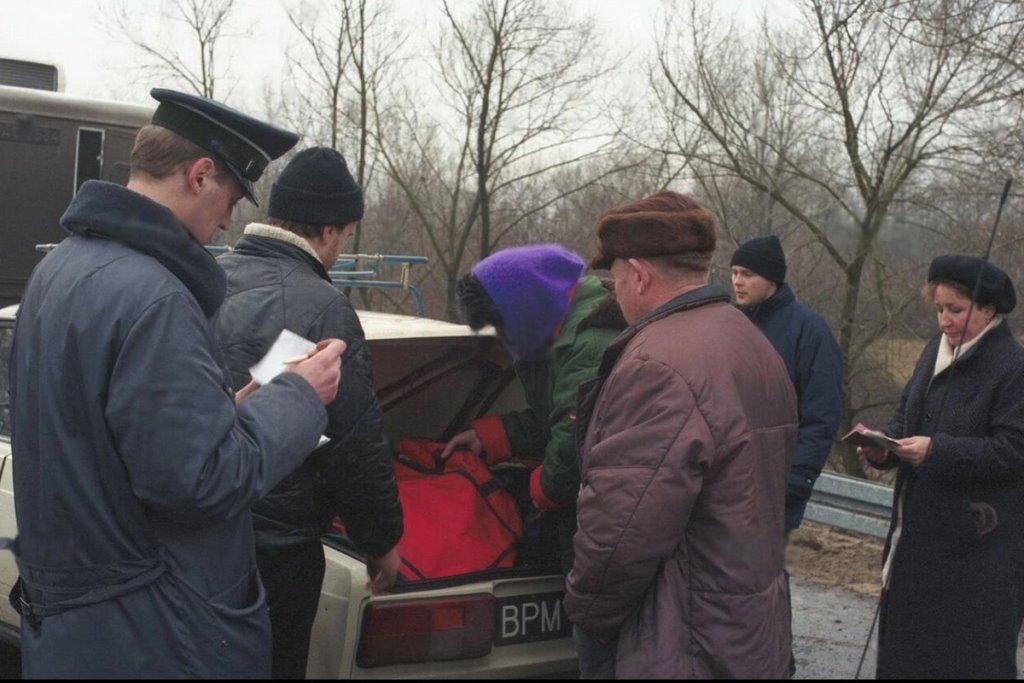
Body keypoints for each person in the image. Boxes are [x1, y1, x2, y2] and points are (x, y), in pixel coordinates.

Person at [6, 88, 347, 679]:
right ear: (200, 174)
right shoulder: (155, 296)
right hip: (153, 633)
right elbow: (201, 483)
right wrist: (299, 396)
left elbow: (108, 440)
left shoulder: (61, 267)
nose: (227, 222)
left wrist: (238, 409)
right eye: (231, 200)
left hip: (76, 626)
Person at [564, 190, 798, 679]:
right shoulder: (748, 339)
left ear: (641, 274)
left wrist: (585, 613)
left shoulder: (658, 365)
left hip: (680, 639)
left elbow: (622, 530)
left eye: (617, 280)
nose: (616, 293)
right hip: (746, 629)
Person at [212, 146, 403, 679]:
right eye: (344, 237)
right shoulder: (323, 307)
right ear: (326, 232)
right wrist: (379, 541)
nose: (340, 250)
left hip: (199, 536)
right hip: (277, 554)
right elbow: (352, 442)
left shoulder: (202, 280)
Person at [858, 254, 1024, 679]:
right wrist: (885, 446)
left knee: (968, 662)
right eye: (939, 309)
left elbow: (1013, 450)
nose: (945, 320)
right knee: (907, 659)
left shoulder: (1013, 367)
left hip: (981, 550)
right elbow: (905, 415)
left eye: (956, 309)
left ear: (988, 309)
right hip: (916, 541)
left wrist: (938, 452)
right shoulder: (934, 350)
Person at [439, 243, 626, 579]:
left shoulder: (590, 342)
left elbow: (573, 437)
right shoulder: (552, 334)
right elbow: (553, 416)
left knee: (591, 622)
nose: (501, 340)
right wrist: (492, 436)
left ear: (522, 310)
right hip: (594, 514)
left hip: (607, 521)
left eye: (501, 328)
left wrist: (541, 489)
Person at [730, 234, 843, 534]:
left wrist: (797, 481)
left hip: (776, 486)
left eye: (748, 274)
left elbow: (822, 413)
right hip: (726, 483)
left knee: (762, 576)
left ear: (772, 279)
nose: (738, 281)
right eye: (734, 273)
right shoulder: (732, 325)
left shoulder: (809, 331)